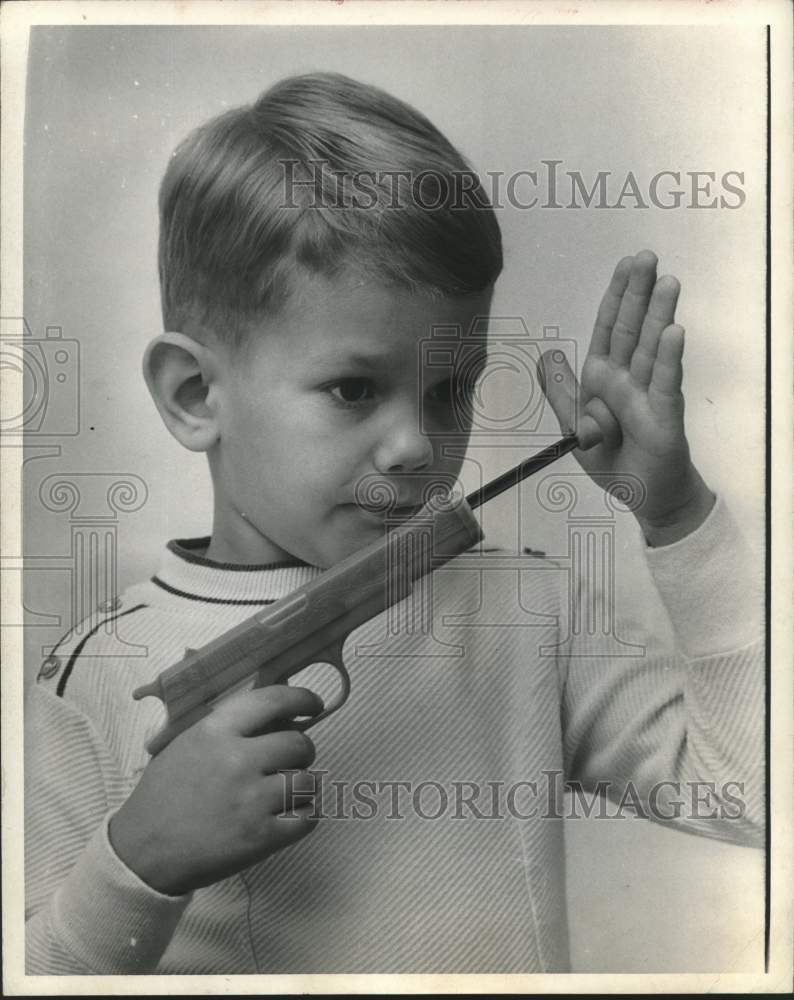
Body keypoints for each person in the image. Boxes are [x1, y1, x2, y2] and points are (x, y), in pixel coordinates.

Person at [24, 72, 763, 974]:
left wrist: (677, 515)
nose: (418, 445)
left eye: (451, 389)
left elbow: (753, 800)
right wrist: (138, 863)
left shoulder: (528, 610)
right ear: (194, 395)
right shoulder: (92, 673)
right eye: (354, 389)